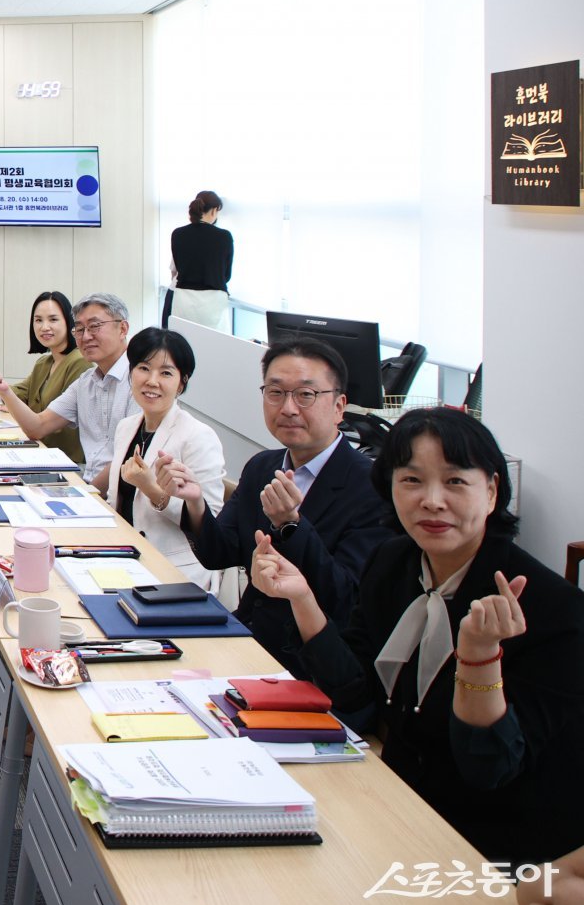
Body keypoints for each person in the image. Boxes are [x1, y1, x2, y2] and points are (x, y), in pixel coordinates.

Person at [251, 408, 584, 867]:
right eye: (411, 480)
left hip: (503, 852)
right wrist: (303, 598)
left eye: (455, 482)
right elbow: (355, 690)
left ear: (491, 491)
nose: (431, 500)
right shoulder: (394, 563)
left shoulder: (551, 608)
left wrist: (479, 658)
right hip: (399, 809)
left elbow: (492, 769)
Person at [156, 337, 392, 676]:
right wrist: (194, 502)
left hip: (313, 665)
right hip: (248, 641)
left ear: (339, 406)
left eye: (306, 395)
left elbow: (345, 599)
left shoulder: (371, 485)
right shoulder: (263, 466)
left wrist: (290, 526)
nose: (289, 408)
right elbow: (220, 553)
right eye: (276, 393)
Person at [0, 292, 138, 492]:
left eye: (95, 326)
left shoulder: (139, 380)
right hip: (88, 484)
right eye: (79, 329)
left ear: (122, 328)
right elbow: (38, 426)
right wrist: (4, 391)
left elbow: (127, 458)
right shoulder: (86, 381)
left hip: (121, 496)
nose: (86, 336)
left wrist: (88, 495)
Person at [104, 328, 225, 589]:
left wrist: (150, 488)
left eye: (166, 373)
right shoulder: (127, 427)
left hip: (175, 571)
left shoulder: (198, 436)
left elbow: (212, 525)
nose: (152, 381)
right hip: (124, 559)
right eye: (144, 368)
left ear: (182, 382)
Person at [0, 290, 92, 464]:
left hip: (63, 461)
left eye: (53, 319)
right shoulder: (44, 362)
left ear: (69, 322)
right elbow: (16, 395)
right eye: (38, 320)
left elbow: (51, 420)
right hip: (37, 451)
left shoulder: (80, 363)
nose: (44, 327)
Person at [168, 190, 233, 330]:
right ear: (215, 210)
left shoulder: (178, 234)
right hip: (214, 301)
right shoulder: (224, 237)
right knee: (216, 345)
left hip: (184, 298)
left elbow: (178, 267)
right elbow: (226, 275)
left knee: (183, 344)